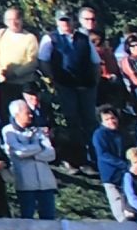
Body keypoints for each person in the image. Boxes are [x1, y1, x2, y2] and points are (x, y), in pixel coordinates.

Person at [2, 98, 59, 230]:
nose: (31, 115)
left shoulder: (38, 131)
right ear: (17, 114)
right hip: (25, 182)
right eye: (27, 113)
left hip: (45, 182)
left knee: (48, 218)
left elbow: (51, 154)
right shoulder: (8, 131)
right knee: (27, 218)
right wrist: (38, 148)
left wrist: (32, 151)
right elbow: (18, 152)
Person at [39, 9, 100, 167]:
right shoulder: (50, 38)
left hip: (86, 86)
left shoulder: (83, 38)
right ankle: (77, 159)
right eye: (62, 20)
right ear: (57, 21)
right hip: (64, 86)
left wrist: (94, 81)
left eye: (68, 20)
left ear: (73, 21)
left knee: (90, 122)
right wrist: (53, 80)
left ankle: (95, 158)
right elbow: (44, 61)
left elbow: (95, 62)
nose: (65, 23)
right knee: (71, 122)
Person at [93, 106, 134, 230]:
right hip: (111, 179)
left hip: (126, 178)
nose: (111, 121)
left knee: (132, 214)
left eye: (113, 118)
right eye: (107, 119)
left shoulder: (123, 134)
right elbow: (104, 155)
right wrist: (124, 164)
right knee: (121, 216)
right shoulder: (99, 135)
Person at [0, 6, 41, 114]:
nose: (13, 22)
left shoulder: (30, 38)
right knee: (4, 114)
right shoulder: (1, 34)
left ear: (21, 19)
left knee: (25, 114)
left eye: (16, 19)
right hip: (4, 82)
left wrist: (15, 74)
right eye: (9, 20)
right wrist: (0, 71)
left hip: (23, 84)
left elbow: (33, 62)